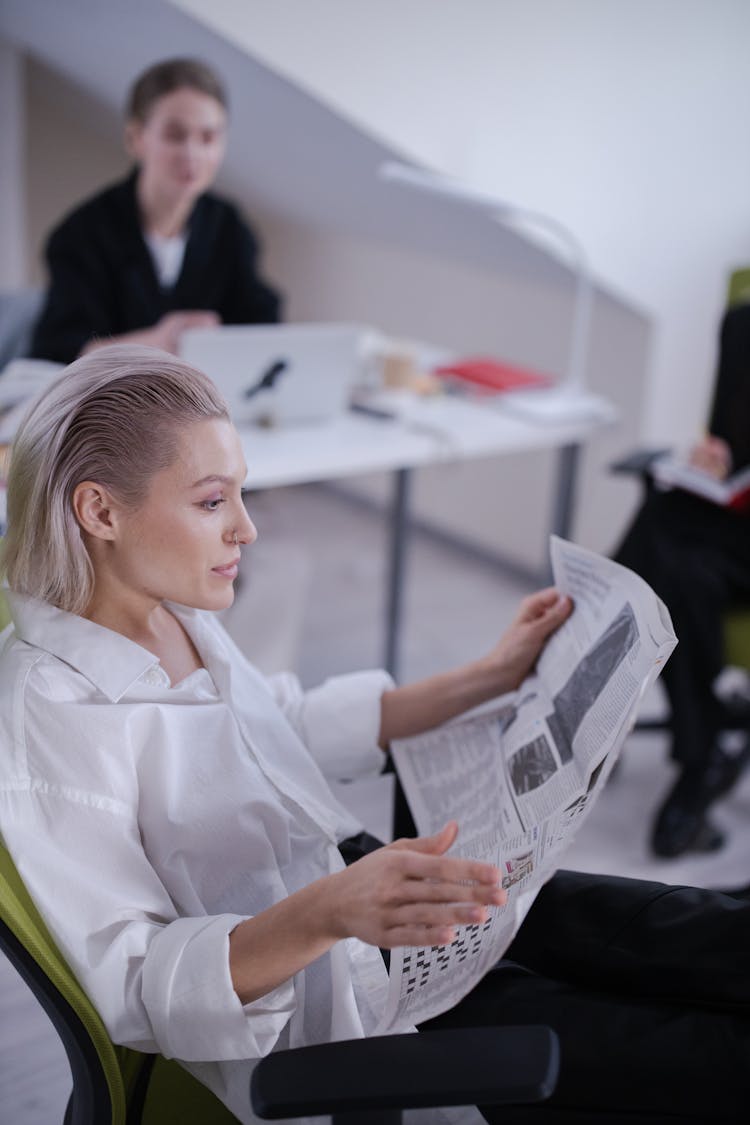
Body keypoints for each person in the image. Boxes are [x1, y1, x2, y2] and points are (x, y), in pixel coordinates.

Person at [0, 345, 748, 1125]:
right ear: (100, 512)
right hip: (318, 989)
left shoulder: (167, 609)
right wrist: (327, 911)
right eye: (213, 501)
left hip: (353, 887)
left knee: (690, 931)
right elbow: (136, 983)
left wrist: (490, 675)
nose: (247, 529)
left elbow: (280, 723)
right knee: (695, 1050)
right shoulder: (51, 717)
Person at [30, 57, 280, 365]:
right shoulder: (80, 235)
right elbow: (59, 352)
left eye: (208, 137)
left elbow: (262, 326)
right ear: (136, 138)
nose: (193, 153)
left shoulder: (229, 226)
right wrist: (158, 342)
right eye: (175, 136)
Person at [614, 301, 750, 859]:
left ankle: (694, 756)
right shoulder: (742, 324)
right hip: (734, 516)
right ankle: (704, 745)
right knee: (662, 518)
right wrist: (712, 458)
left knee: (668, 567)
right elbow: (731, 439)